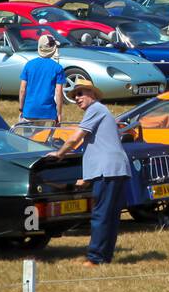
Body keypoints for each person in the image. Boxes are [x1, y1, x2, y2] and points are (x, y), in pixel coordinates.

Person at [46, 81, 130, 267]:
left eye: (80, 93)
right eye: (74, 95)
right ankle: (104, 256)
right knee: (110, 216)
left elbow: (76, 138)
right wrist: (86, 178)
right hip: (117, 169)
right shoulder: (102, 111)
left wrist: (59, 154)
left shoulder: (95, 109)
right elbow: (100, 145)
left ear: (92, 94)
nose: (76, 98)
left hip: (108, 170)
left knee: (101, 215)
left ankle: (95, 258)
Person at [18, 33, 65, 126]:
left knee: (26, 138)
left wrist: (21, 108)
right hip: (47, 112)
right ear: (53, 49)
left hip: (29, 109)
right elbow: (59, 92)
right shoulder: (58, 68)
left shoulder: (29, 65)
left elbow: (22, 90)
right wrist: (59, 113)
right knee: (42, 138)